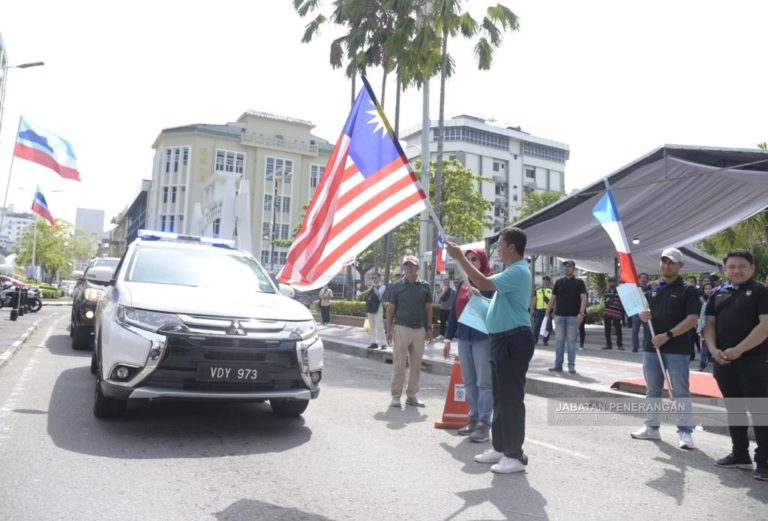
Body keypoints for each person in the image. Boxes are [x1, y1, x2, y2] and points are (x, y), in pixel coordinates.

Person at [446, 227, 534, 474]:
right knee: (499, 397)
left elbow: (483, 281)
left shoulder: (517, 270)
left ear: (512, 247)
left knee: (511, 399)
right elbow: (498, 303)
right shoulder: (510, 272)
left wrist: (460, 257)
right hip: (501, 340)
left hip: (514, 340)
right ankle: (500, 447)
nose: (497, 250)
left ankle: (514, 455)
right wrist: (481, 300)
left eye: (500, 244)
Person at [704, 249, 768, 481]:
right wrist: (713, 350)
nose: (737, 270)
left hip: (755, 360)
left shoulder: (761, 291)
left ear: (752, 268)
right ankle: (740, 454)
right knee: (735, 408)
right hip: (724, 360)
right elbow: (709, 324)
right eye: (731, 267)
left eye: (742, 266)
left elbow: (765, 325)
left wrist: (739, 349)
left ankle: (765, 461)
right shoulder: (718, 293)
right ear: (725, 270)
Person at [631, 247, 700, 450]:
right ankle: (651, 427)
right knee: (652, 390)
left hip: (677, 348)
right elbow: (641, 312)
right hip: (652, 348)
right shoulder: (651, 287)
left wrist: (667, 336)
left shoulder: (689, 290)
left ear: (680, 265)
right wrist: (642, 315)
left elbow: (692, 319)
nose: (666, 265)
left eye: (671, 262)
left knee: (681, 392)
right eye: (663, 261)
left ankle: (685, 432)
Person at [442, 248, 495, 443]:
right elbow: (454, 313)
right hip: (464, 338)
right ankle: (473, 418)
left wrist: (481, 297)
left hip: (483, 337)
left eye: (475, 259)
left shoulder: (489, 281)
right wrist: (448, 339)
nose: (471, 262)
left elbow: (496, 307)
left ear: (482, 261)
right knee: (469, 381)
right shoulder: (462, 284)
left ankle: (484, 423)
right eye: (468, 259)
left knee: (484, 382)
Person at [386, 255, 433, 408]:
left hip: (419, 329)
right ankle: (395, 396)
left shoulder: (425, 286)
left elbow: (428, 309)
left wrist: (429, 328)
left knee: (416, 365)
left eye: (411, 265)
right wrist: (388, 330)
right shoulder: (397, 286)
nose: (408, 267)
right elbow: (391, 309)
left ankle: (412, 395)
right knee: (399, 364)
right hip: (401, 328)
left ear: (417, 268)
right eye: (406, 265)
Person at [548, 260, 587, 374]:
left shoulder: (579, 283)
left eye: (569, 267)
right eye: (565, 267)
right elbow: (553, 298)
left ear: (573, 269)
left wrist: (581, 313)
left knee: (571, 342)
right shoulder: (559, 282)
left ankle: (571, 366)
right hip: (559, 316)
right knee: (559, 341)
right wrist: (547, 312)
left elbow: (583, 298)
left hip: (573, 317)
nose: (567, 269)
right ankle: (558, 365)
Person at [601, 277, 625, 350]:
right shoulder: (606, 291)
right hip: (607, 311)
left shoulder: (619, 291)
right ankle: (608, 344)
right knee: (607, 329)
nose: (611, 283)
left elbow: (622, 301)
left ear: (615, 282)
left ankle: (620, 345)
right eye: (610, 282)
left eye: (613, 282)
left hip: (617, 312)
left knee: (618, 329)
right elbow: (605, 301)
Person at [631, 273, 652, 352]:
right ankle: (635, 347)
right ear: (639, 279)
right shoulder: (635, 288)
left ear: (647, 279)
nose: (643, 279)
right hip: (636, 311)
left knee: (647, 330)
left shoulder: (650, 288)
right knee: (635, 330)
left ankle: (645, 346)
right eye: (642, 278)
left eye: (645, 278)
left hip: (646, 311)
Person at [366, 273, 387, 350]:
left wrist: (374, 287)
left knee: (379, 326)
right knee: (372, 326)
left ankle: (383, 343)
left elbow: (379, 294)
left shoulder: (382, 286)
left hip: (378, 308)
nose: (374, 279)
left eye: (376, 277)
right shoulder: (371, 287)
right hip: (370, 308)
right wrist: (370, 288)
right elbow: (367, 294)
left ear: (379, 278)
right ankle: (373, 342)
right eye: (373, 278)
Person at [696, 282, 714, 371]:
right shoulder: (700, 299)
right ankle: (702, 364)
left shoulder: (716, 298)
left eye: (710, 288)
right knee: (704, 345)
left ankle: (713, 361)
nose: (708, 290)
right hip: (703, 324)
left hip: (714, 324)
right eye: (706, 289)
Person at [531, 276, 553, 345]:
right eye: (544, 280)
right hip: (539, 310)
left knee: (548, 326)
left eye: (547, 281)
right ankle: (535, 339)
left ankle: (545, 340)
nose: (545, 282)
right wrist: (532, 309)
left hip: (548, 311)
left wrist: (554, 311)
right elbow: (535, 299)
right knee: (537, 325)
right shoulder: (538, 290)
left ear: (549, 282)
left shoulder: (552, 290)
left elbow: (555, 301)